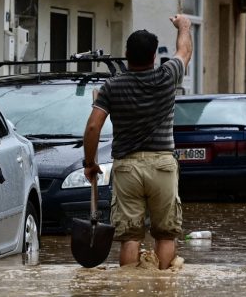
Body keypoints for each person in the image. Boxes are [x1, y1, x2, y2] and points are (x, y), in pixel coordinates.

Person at [82, 16, 193, 269]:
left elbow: (93, 127)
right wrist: (184, 26)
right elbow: (184, 51)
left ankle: (129, 290)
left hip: (127, 168)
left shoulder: (112, 86)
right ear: (154, 56)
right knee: (165, 234)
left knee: (130, 237)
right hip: (162, 166)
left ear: (126, 55)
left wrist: (90, 163)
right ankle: (163, 289)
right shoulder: (168, 76)